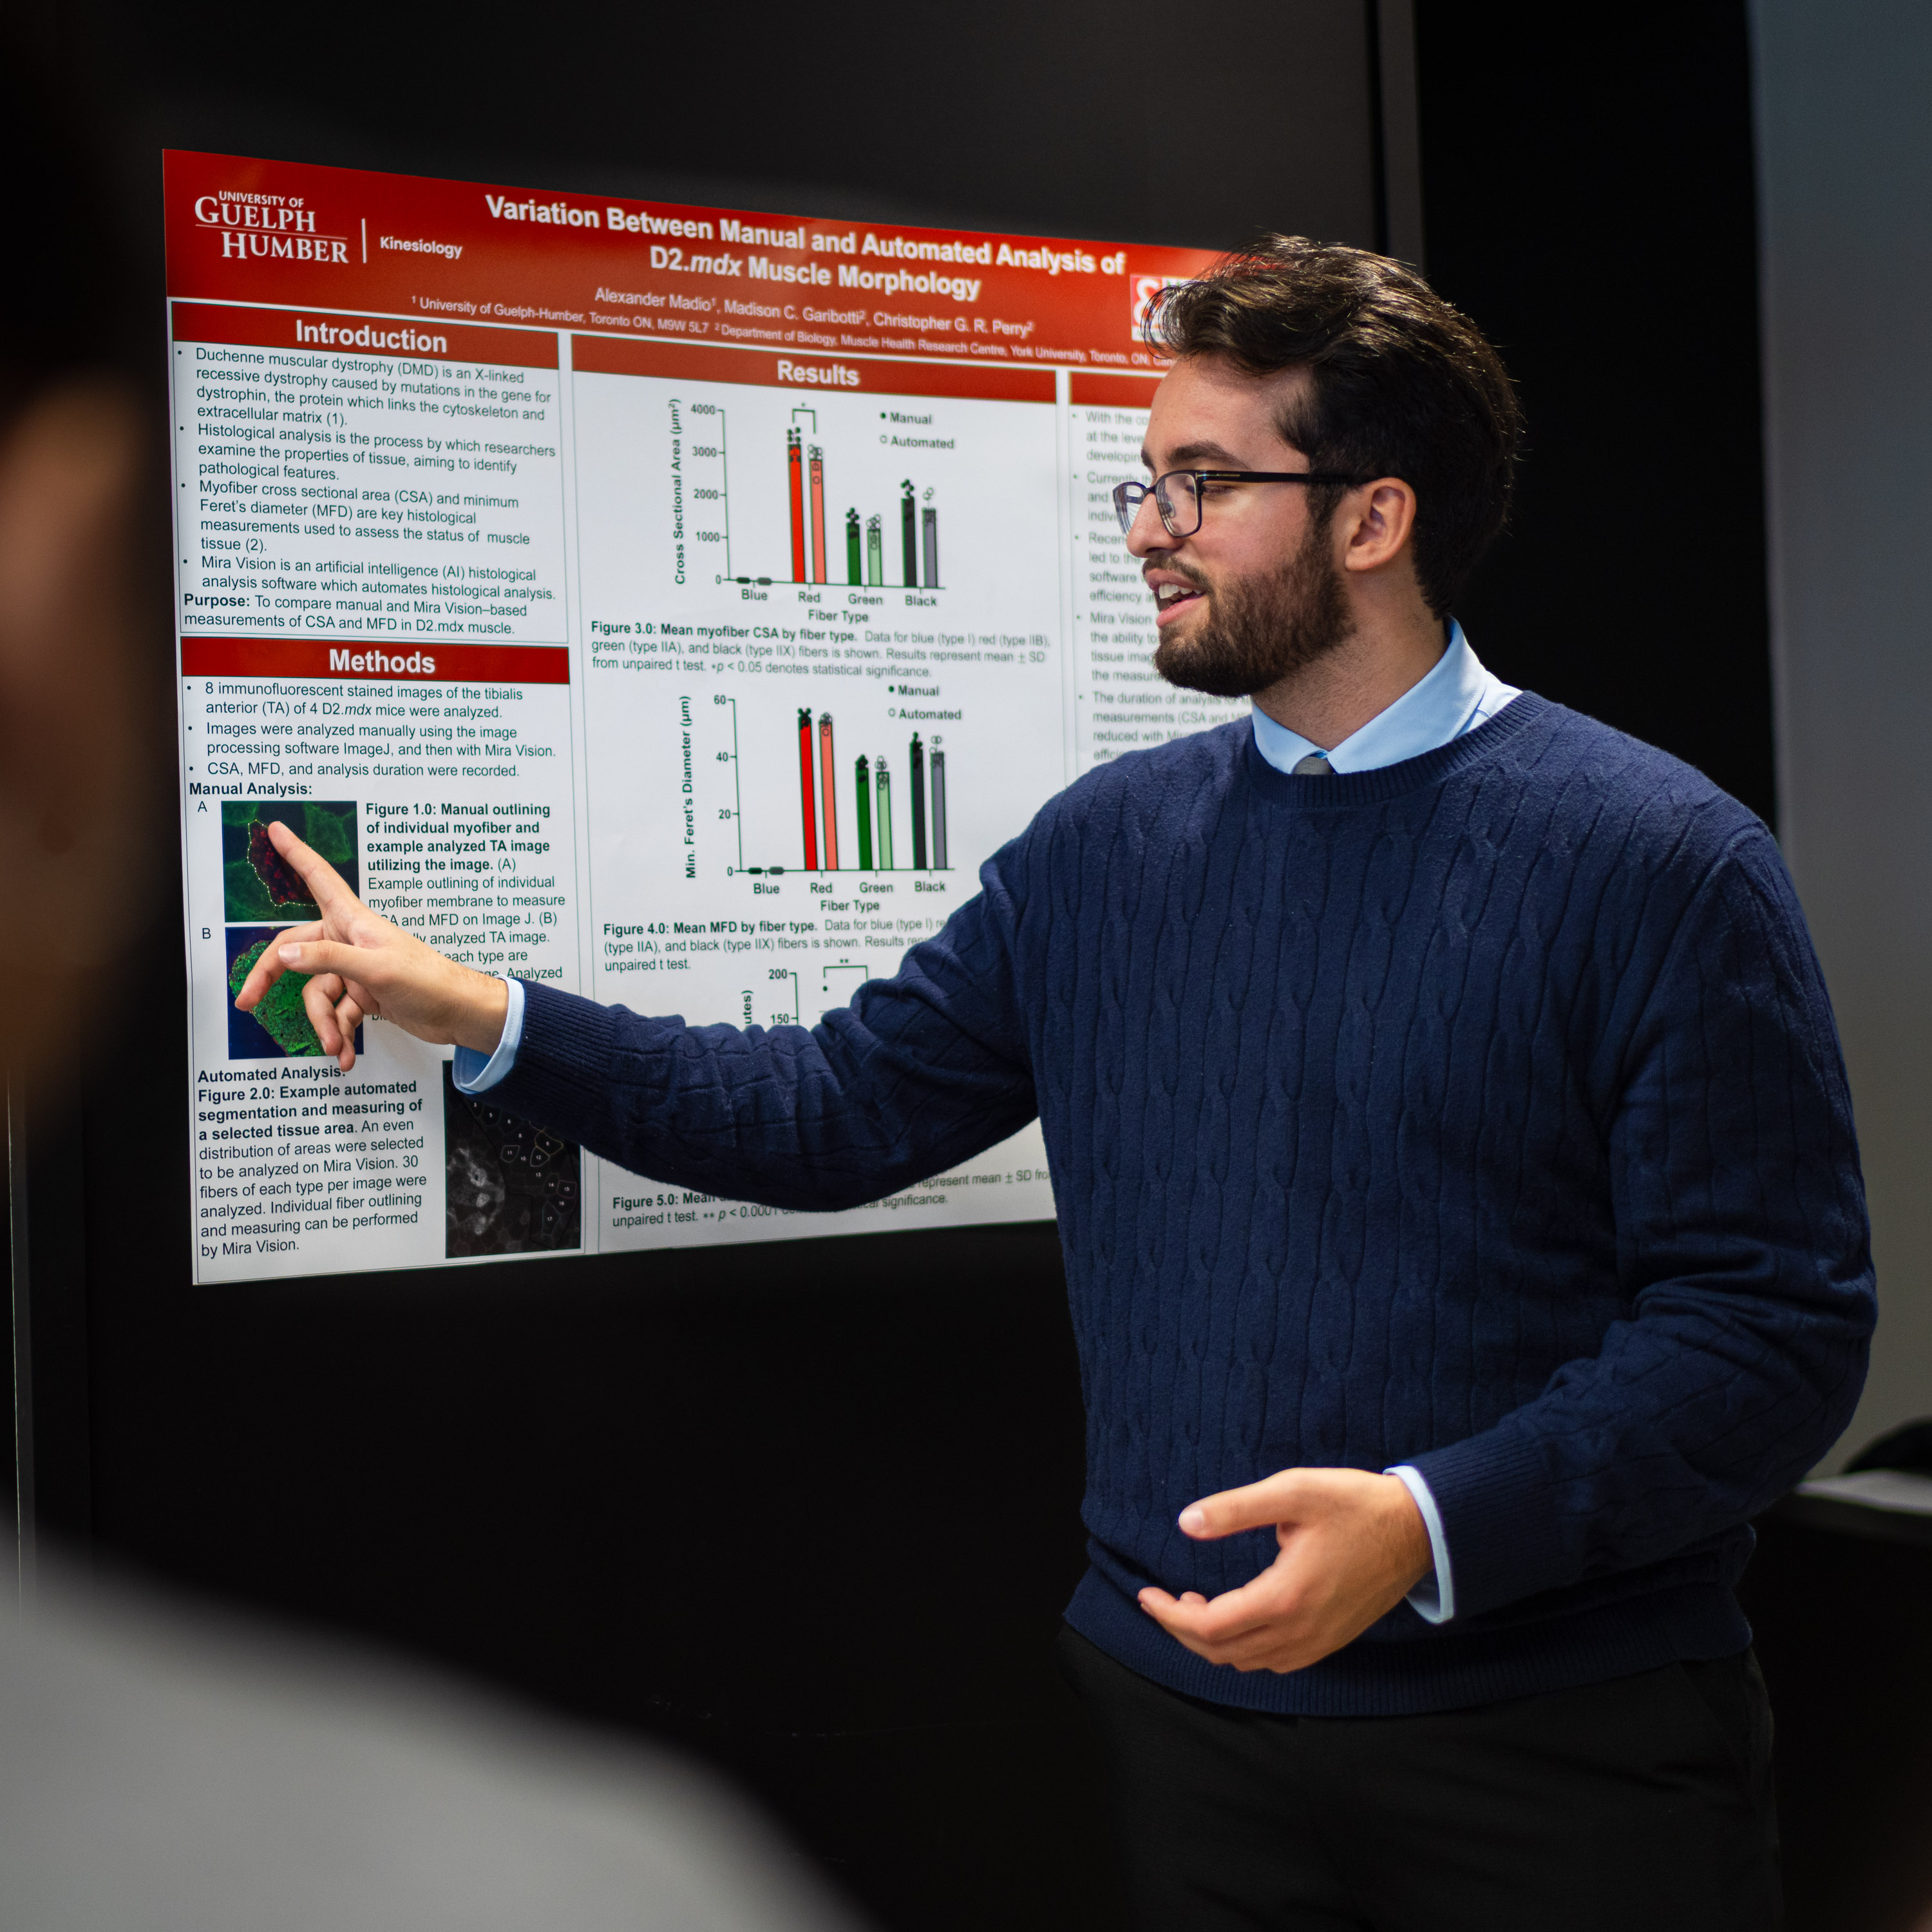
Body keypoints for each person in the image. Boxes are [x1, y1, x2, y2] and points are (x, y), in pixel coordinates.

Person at [237, 236, 1876, 1931]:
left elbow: (1773, 1330)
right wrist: (485, 1007)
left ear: (1373, 520)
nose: (1150, 527)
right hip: (1182, 1743)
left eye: (1204, 480)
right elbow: (829, 1111)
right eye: (1144, 482)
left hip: (1560, 1755)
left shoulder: (1657, 860)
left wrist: (1434, 1523)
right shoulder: (1104, 852)